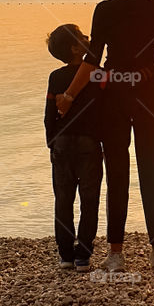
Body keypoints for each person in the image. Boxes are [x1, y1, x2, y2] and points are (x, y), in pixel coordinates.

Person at [56, 0, 154, 271]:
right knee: (153, 172)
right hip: (151, 95)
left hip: (115, 98)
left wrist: (68, 95)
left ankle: (116, 254)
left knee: (118, 174)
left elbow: (93, 61)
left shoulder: (105, 10)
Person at [44, 23, 104, 272]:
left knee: (63, 199)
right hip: (89, 143)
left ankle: (66, 254)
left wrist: (51, 143)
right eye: (82, 37)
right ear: (75, 48)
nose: (88, 37)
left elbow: (49, 116)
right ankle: (83, 255)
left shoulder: (56, 77)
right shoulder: (97, 73)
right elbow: (105, 110)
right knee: (89, 200)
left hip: (63, 143)